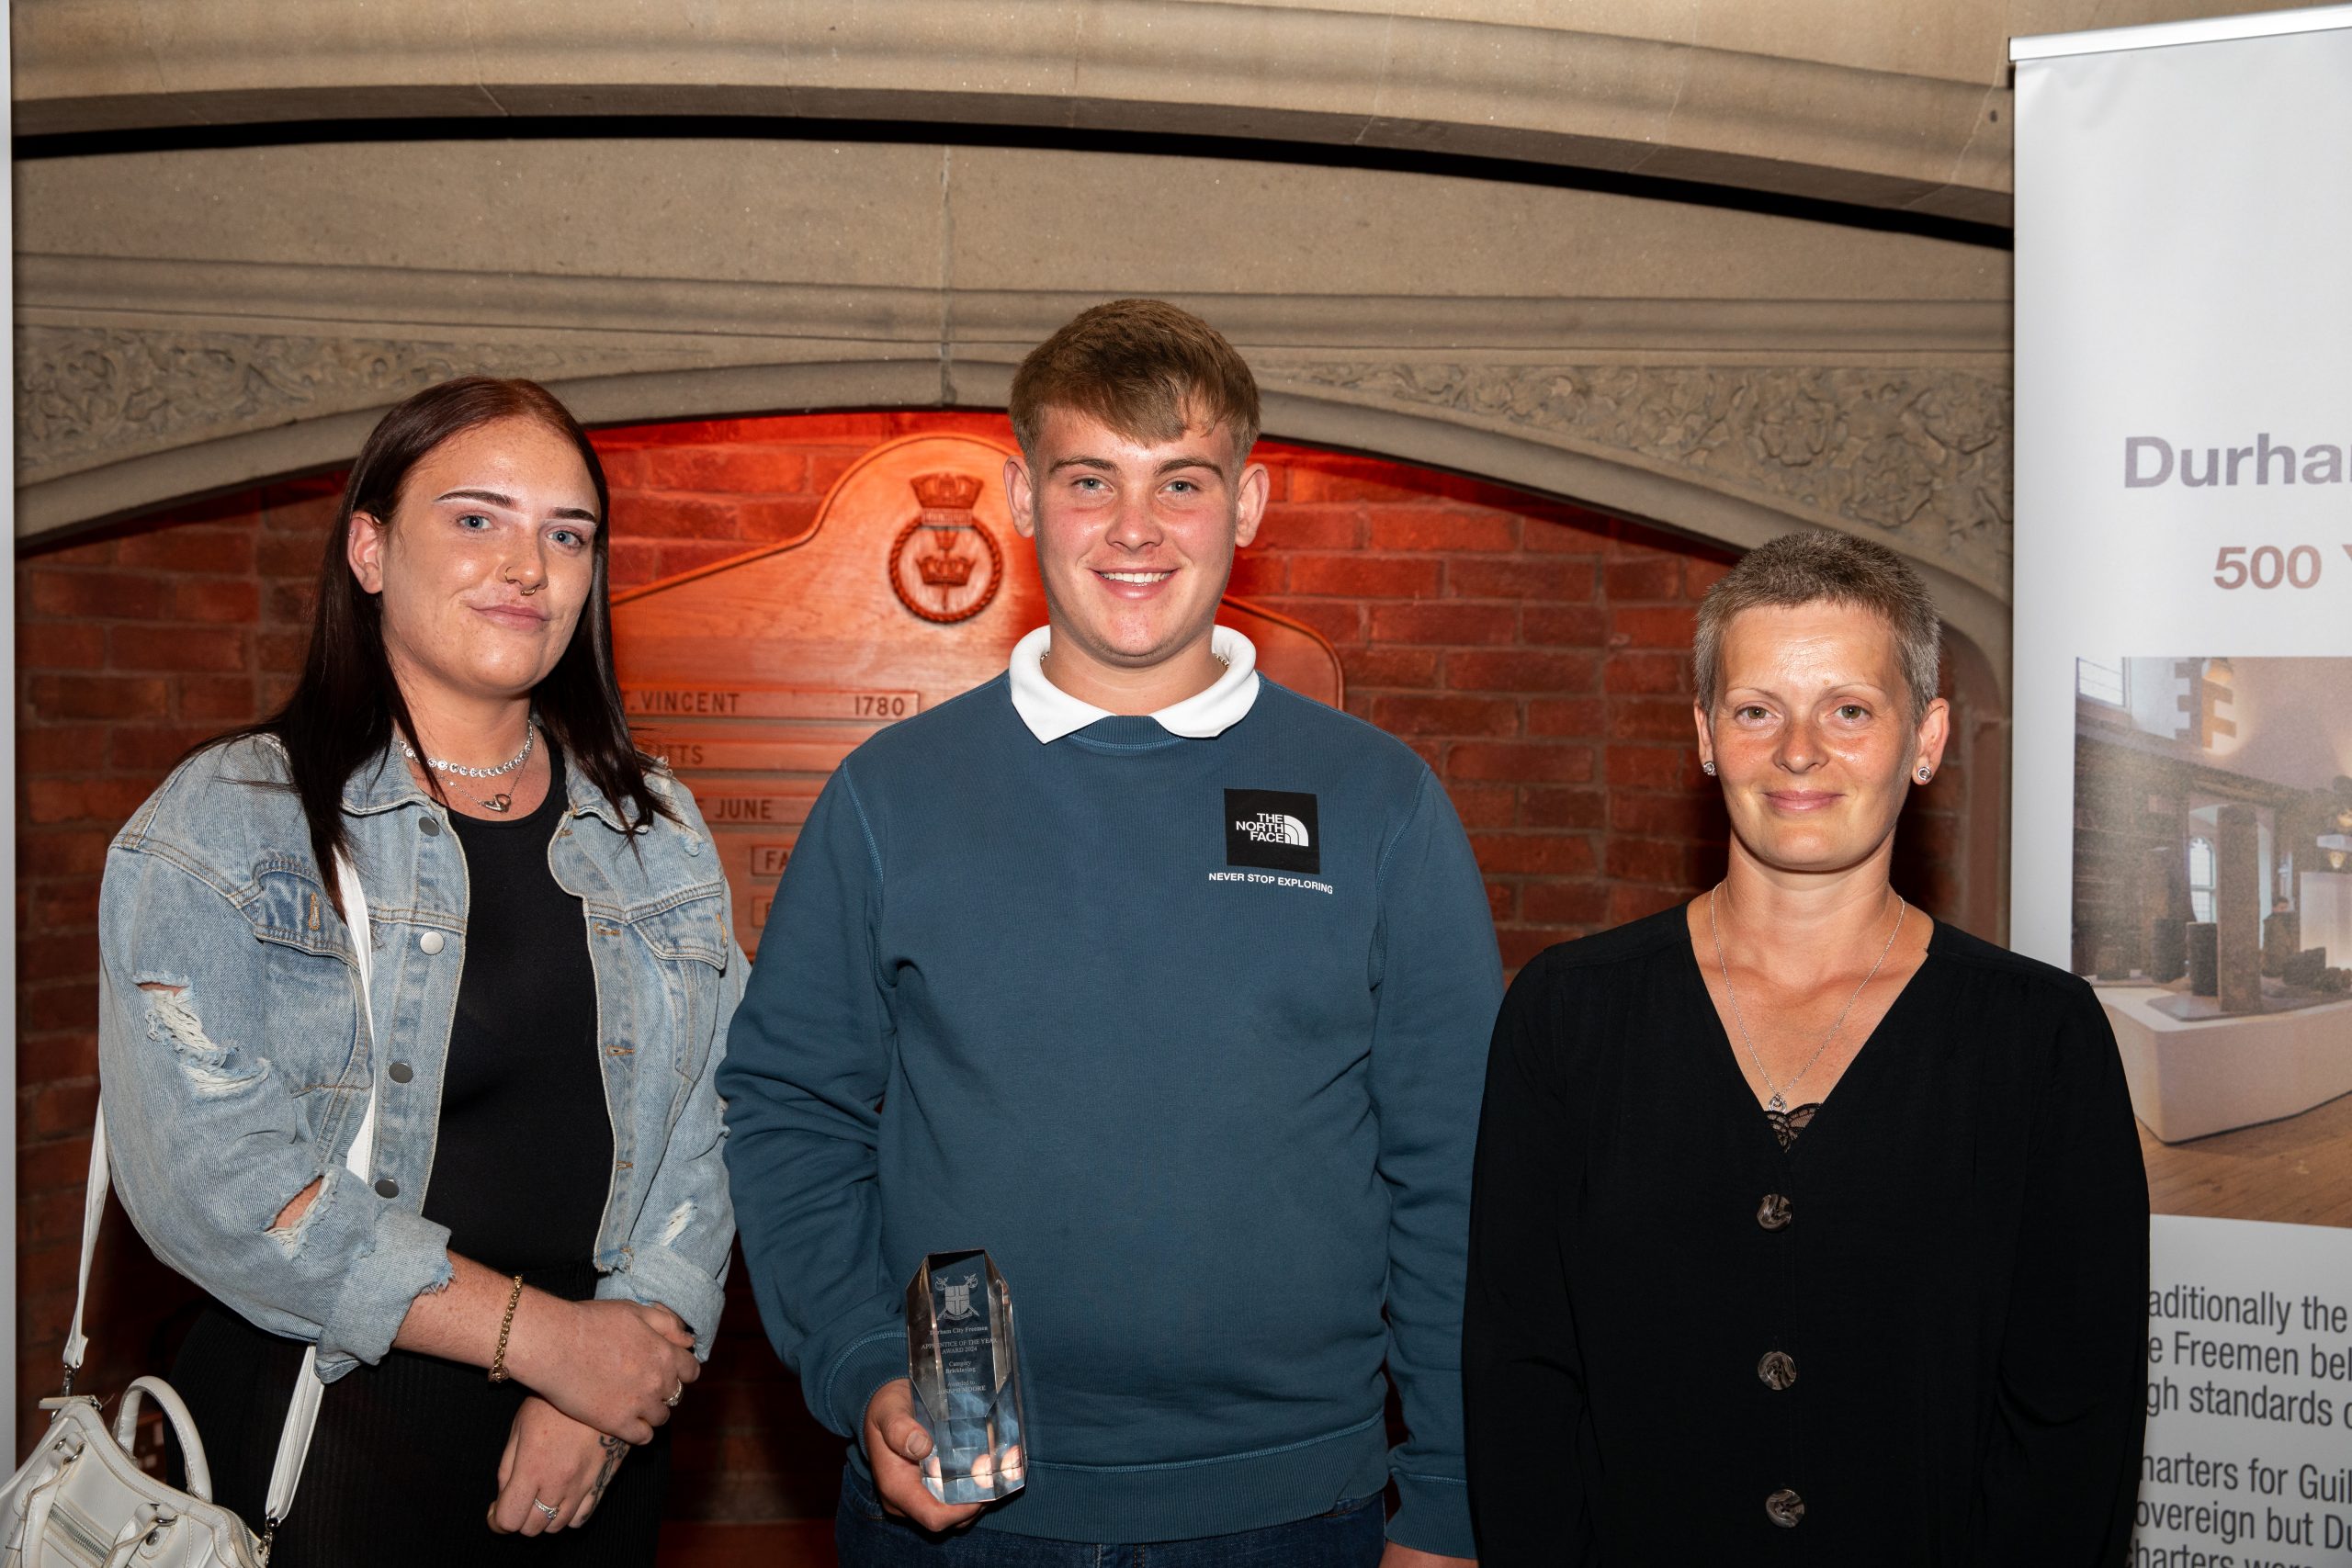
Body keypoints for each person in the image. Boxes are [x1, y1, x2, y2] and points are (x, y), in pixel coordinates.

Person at [720, 299, 1500, 1567]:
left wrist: (1455, 1500)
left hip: (1291, 1507)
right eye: (1091, 479)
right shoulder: (890, 795)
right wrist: (860, 1361)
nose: (1135, 527)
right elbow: (789, 1108)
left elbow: (1455, 1166)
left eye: (1180, 481)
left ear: (1248, 505)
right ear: (1024, 500)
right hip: (961, 1505)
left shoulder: (1378, 801)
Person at [96, 377, 741, 1564]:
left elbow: (710, 1123)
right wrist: (544, 1340)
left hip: (592, 1433)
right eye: (476, 518)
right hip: (334, 1420)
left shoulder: (653, 826)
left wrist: (612, 1369)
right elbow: (212, 1178)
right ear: (370, 549)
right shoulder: (233, 820)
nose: (528, 566)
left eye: (567, 534)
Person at [1463, 531, 2149, 1563]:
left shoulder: (2039, 1038)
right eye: (1756, 710)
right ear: (1705, 735)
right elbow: (1520, 1376)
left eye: (1849, 710)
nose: (1797, 751)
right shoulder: (1568, 1015)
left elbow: (2073, 1421)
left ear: (1926, 738)